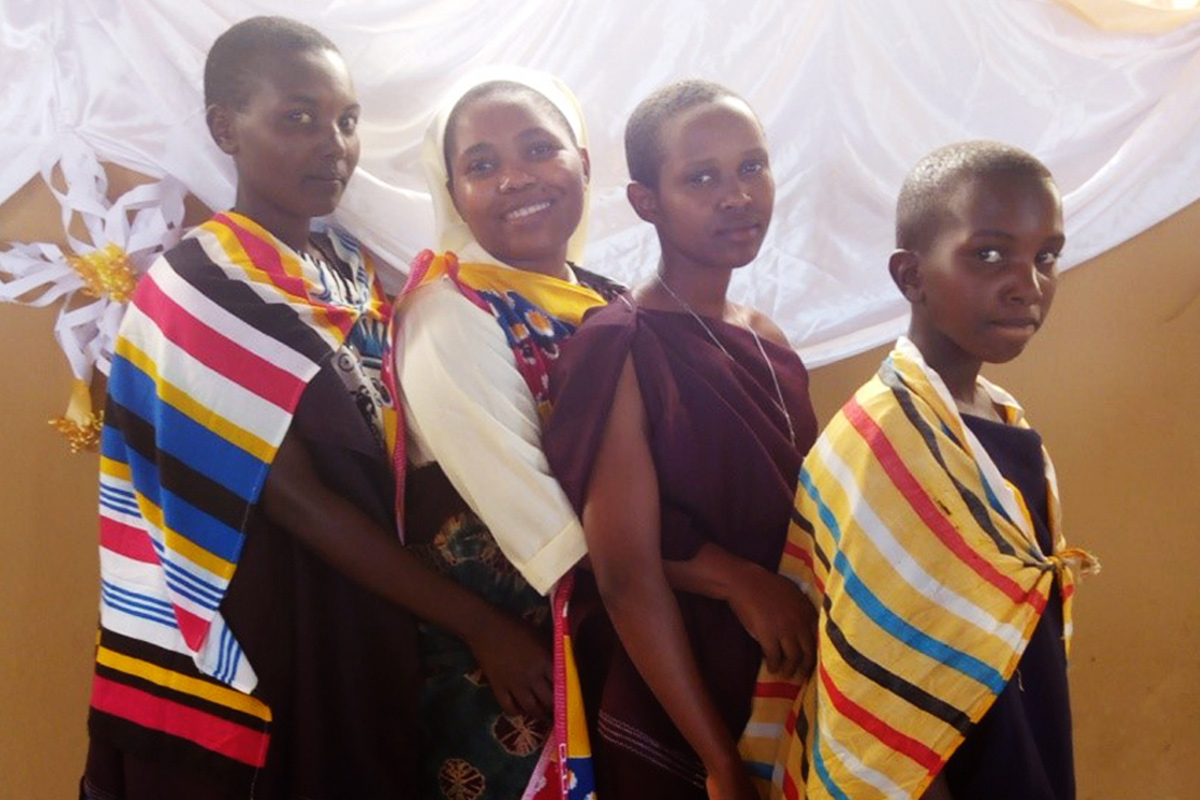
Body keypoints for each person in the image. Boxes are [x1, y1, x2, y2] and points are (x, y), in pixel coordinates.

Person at [81, 18, 551, 800]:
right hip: (258, 634)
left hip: (353, 618)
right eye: (298, 118)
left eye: (346, 121)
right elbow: (297, 501)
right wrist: (479, 623)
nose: (332, 144)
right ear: (225, 128)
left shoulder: (345, 271)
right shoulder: (199, 287)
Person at [740, 141, 1099, 800]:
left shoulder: (1004, 418)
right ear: (911, 276)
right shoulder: (876, 442)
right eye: (989, 254)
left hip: (1021, 738)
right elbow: (877, 684)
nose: (1029, 282)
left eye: (1046, 255)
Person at [539, 80, 819, 800]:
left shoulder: (768, 339)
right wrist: (719, 764)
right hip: (683, 696)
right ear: (645, 202)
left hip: (791, 675)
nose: (737, 195)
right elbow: (624, 571)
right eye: (701, 178)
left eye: (751, 167)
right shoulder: (621, 341)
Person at [393, 68, 624, 800]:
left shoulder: (603, 297)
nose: (516, 179)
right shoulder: (450, 313)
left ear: (582, 163)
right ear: (453, 193)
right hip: (517, 668)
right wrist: (712, 583)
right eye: (482, 165)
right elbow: (545, 529)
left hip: (619, 626)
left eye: (538, 149)